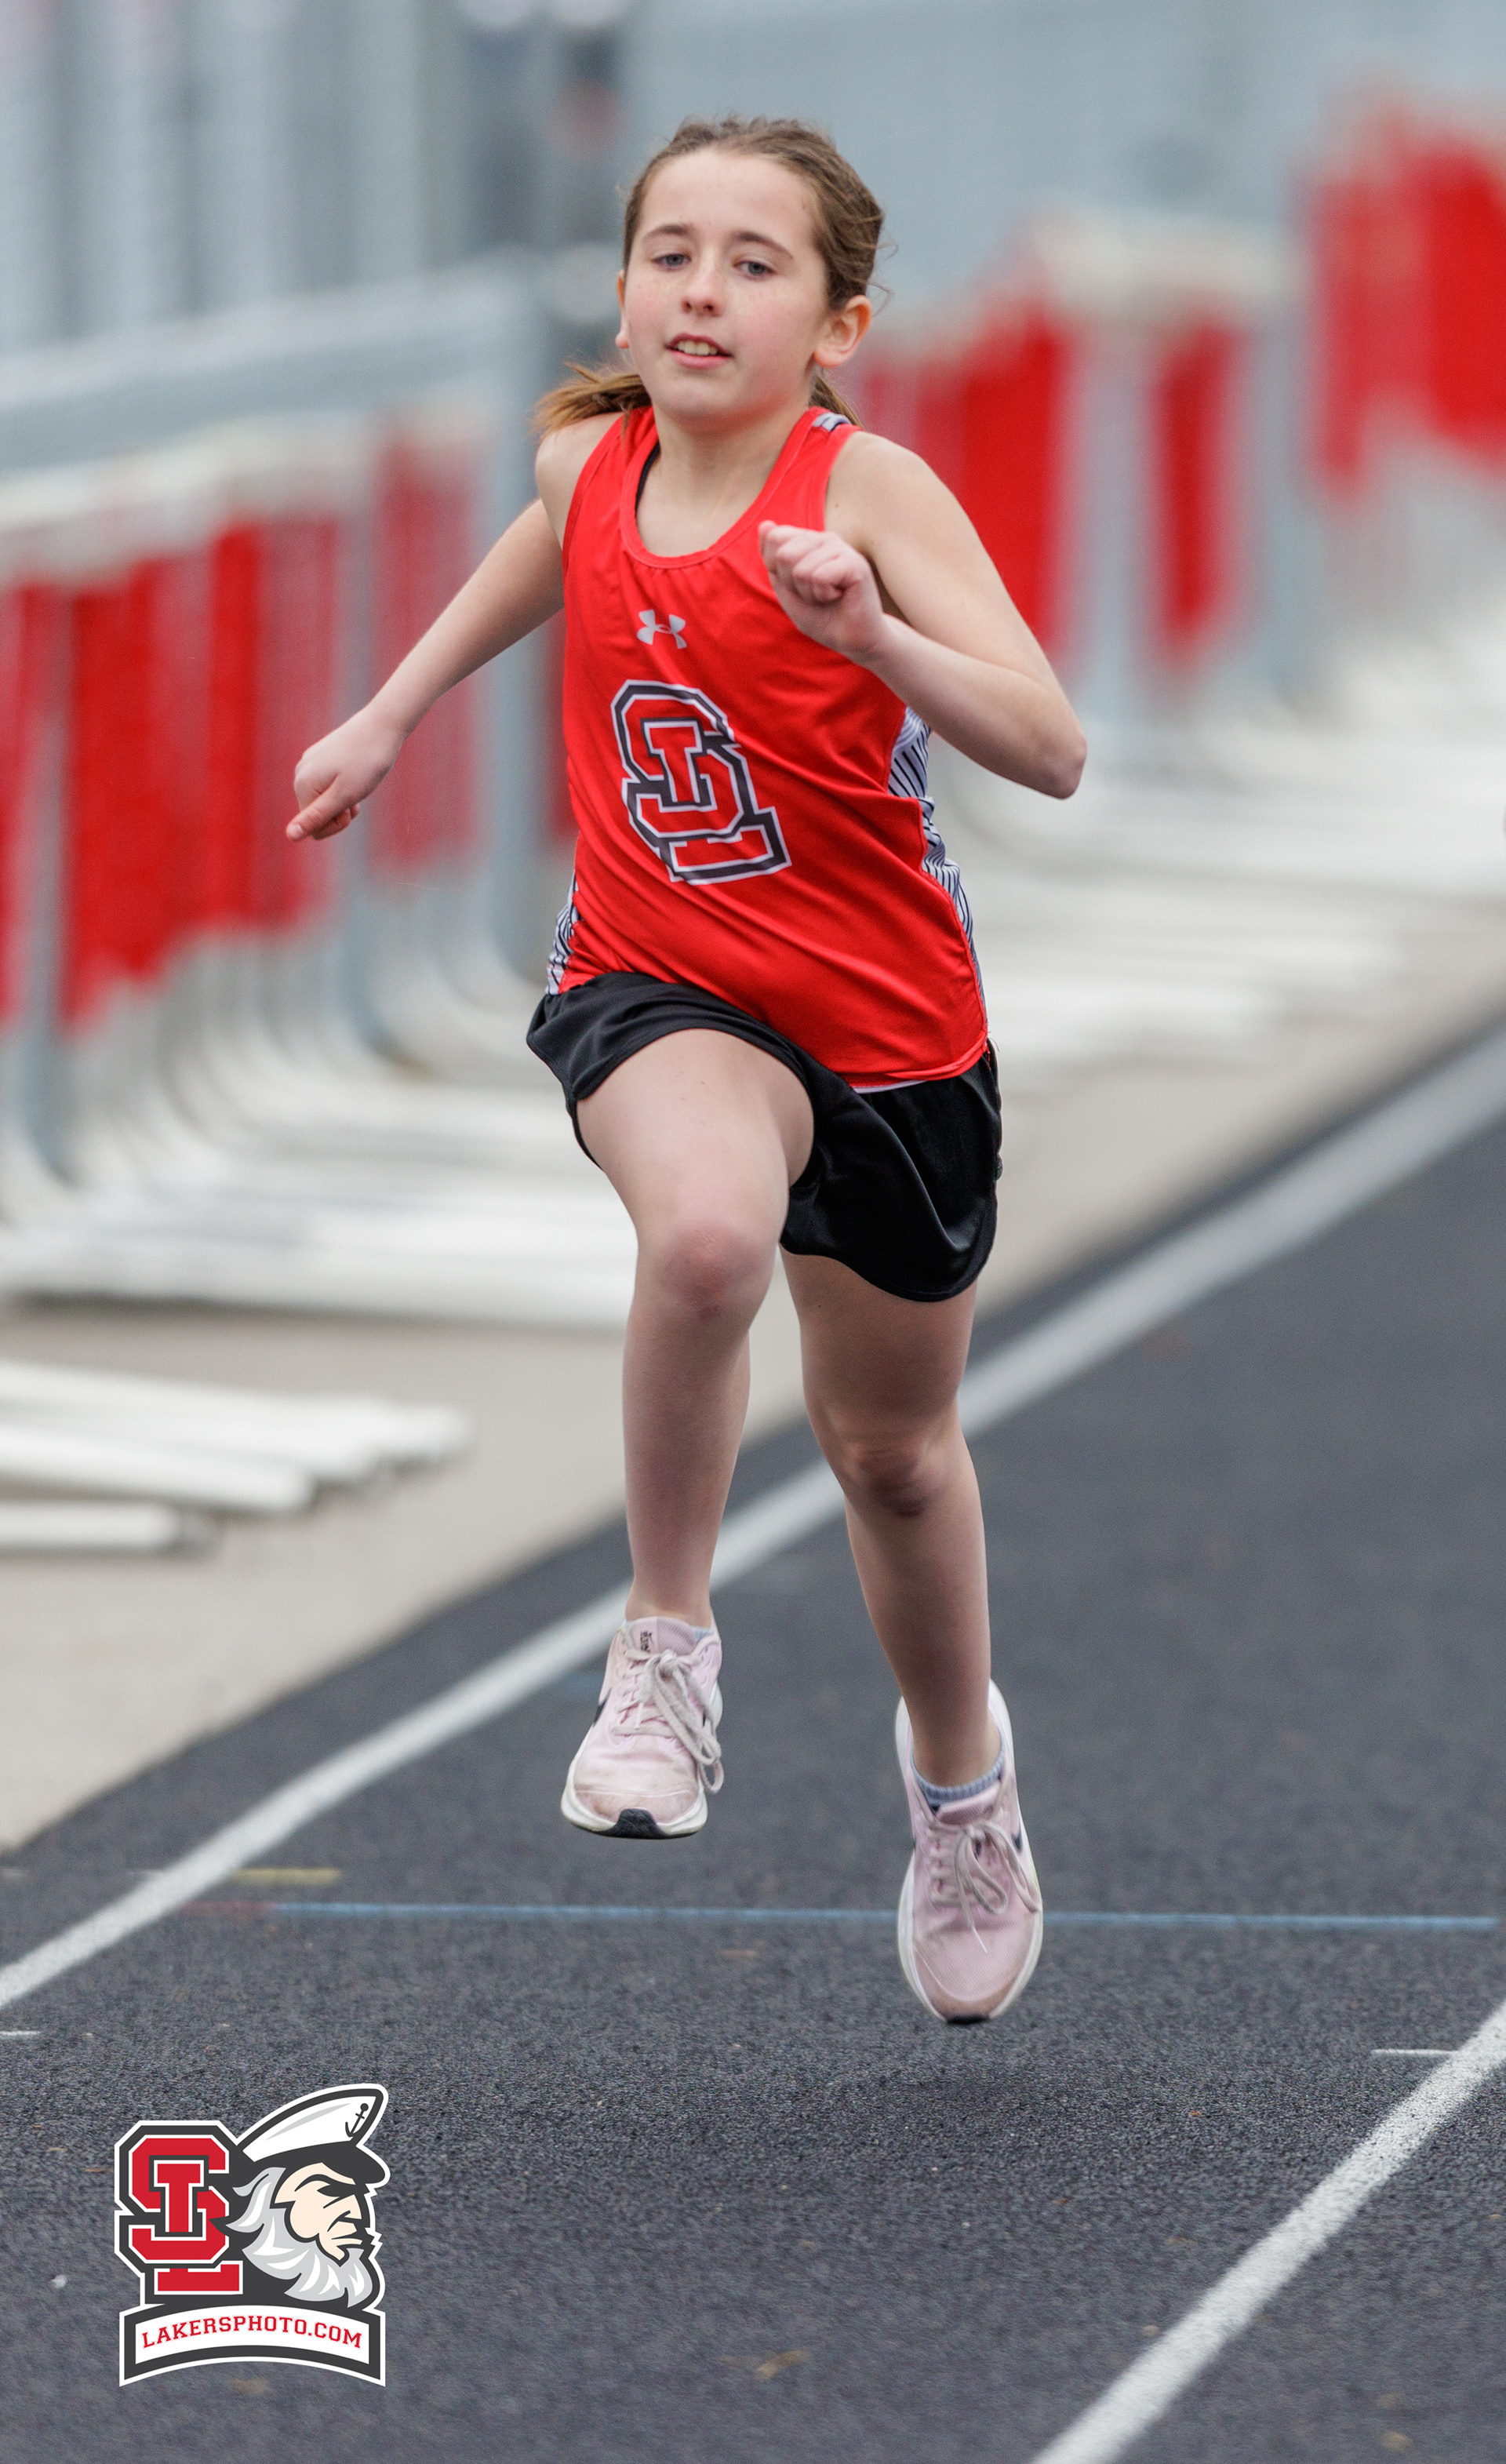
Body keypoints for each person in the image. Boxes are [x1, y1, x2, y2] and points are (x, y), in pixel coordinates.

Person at [289, 115, 1086, 2024]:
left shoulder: (869, 489)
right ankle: (663, 1647)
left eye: (752, 262)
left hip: (891, 1030)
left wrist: (872, 634)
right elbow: (539, 555)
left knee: (893, 1455)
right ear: (625, 285)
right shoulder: (592, 462)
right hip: (660, 981)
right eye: (671, 254)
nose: (702, 292)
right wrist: (389, 714)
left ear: (838, 323)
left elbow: (1051, 745)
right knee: (711, 1239)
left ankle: (961, 1784)